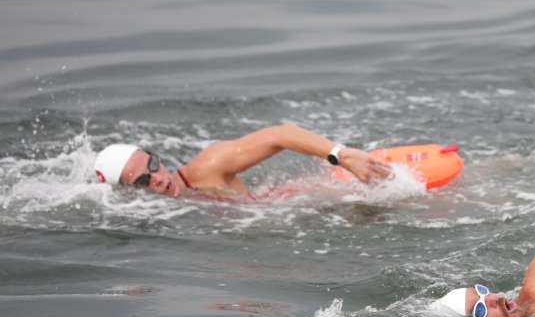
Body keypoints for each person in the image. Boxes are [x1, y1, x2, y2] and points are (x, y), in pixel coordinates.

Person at [93, 124, 392, 199]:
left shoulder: (207, 167)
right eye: (143, 181)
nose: (156, 178)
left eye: (153, 165)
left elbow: (280, 134)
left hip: (306, 200)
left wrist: (342, 155)